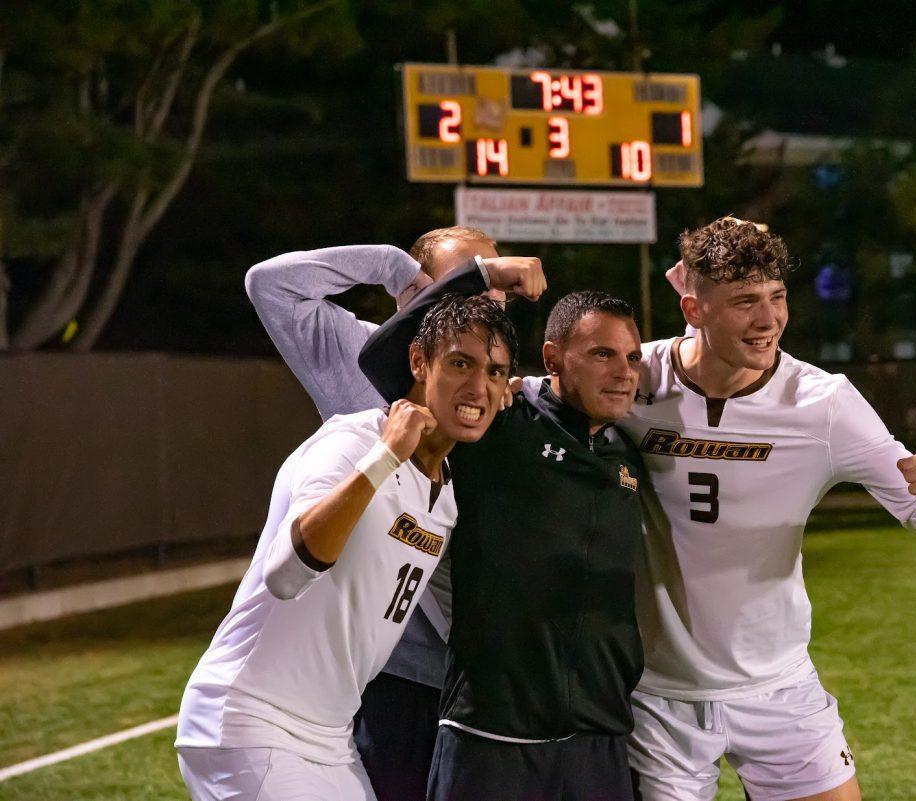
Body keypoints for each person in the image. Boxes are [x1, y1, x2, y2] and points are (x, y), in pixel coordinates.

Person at [622, 217, 916, 801]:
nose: (768, 321)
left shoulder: (825, 404)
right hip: (661, 702)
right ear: (693, 309)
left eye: (777, 297)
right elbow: (538, 397)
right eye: (744, 302)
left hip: (780, 690)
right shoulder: (635, 378)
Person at [175, 295, 517, 801]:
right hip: (252, 718)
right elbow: (287, 574)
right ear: (419, 362)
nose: (477, 385)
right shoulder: (353, 442)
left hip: (330, 734)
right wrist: (384, 459)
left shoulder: (444, 495)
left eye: (494, 372)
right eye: (460, 363)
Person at [243, 230, 538, 801]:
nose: (484, 302)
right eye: (465, 287)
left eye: (495, 290)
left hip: (476, 666)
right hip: (386, 670)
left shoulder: (498, 387)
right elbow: (269, 285)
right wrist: (387, 264)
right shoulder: (361, 367)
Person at [359, 274, 647, 801]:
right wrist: (482, 275)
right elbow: (380, 359)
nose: (623, 372)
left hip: (599, 736)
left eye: (632, 359)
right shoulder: (498, 427)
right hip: (492, 730)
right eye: (603, 354)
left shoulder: (627, 453)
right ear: (553, 358)